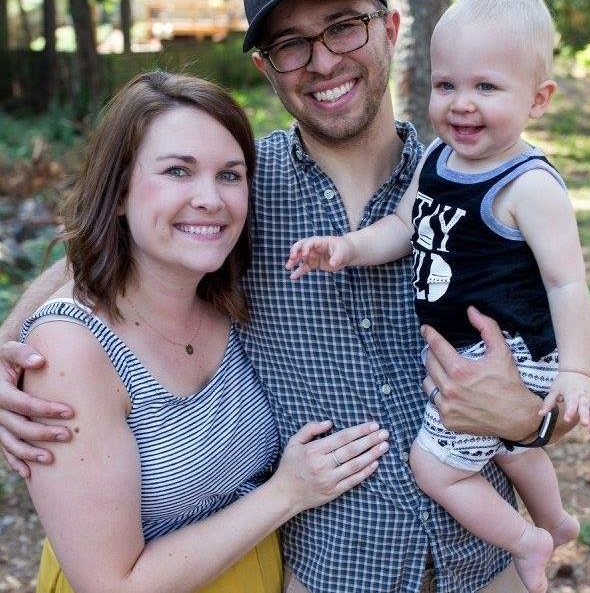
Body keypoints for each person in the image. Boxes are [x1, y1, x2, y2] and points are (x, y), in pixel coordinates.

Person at [0, 0, 580, 592]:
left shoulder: (481, 187)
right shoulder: (236, 191)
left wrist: (527, 419)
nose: (322, 60)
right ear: (266, 67)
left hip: (487, 565)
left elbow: (561, 368)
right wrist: (10, 351)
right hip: (331, 573)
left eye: (343, 26)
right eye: (290, 44)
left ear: (390, 29)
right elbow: (105, 252)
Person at [13, 71, 389, 593]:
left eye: (230, 175)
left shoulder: (231, 297)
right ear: (118, 192)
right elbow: (110, 585)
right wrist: (287, 492)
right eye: (177, 171)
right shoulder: (72, 351)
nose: (211, 199)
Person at [286, 0, 590, 593]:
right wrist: (348, 248)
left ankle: (527, 541)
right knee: (507, 444)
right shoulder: (437, 160)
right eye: (446, 85)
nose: (462, 104)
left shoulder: (529, 185)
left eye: (486, 87)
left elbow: (567, 283)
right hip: (466, 353)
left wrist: (576, 372)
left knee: (435, 468)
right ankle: (555, 518)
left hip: (513, 351)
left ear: (538, 99)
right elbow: (402, 227)